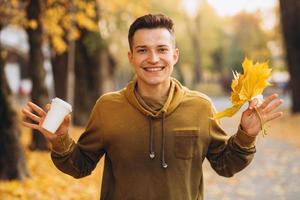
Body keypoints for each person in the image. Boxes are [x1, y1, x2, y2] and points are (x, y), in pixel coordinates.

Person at [22, 13, 283, 200]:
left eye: (161, 49)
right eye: (143, 50)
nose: (153, 58)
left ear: (175, 55)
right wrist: (60, 140)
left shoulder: (200, 107)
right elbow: (80, 166)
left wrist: (246, 135)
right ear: (131, 57)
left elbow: (225, 165)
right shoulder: (108, 107)